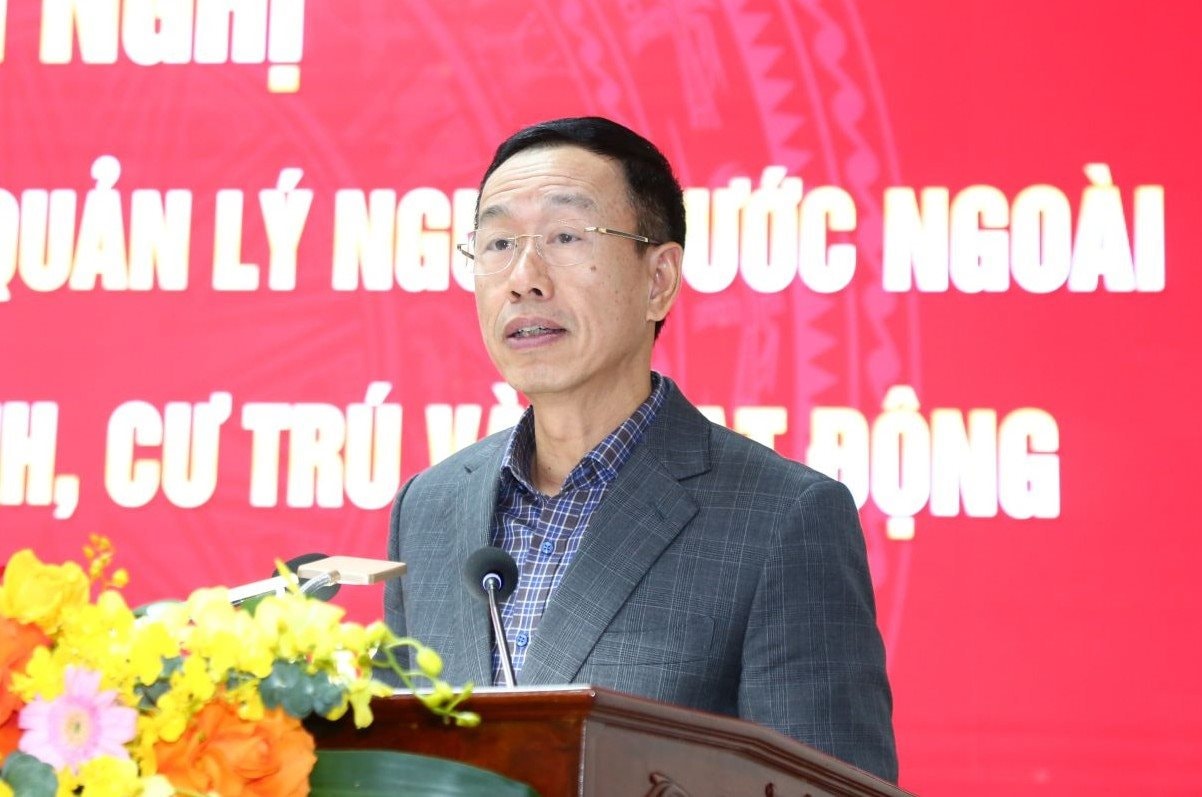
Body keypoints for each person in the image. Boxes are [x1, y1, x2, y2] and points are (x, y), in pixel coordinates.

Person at [384, 116, 897, 782]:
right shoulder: (428, 507)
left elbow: (827, 787)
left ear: (659, 279)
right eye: (498, 242)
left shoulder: (782, 518)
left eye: (566, 236)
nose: (523, 278)